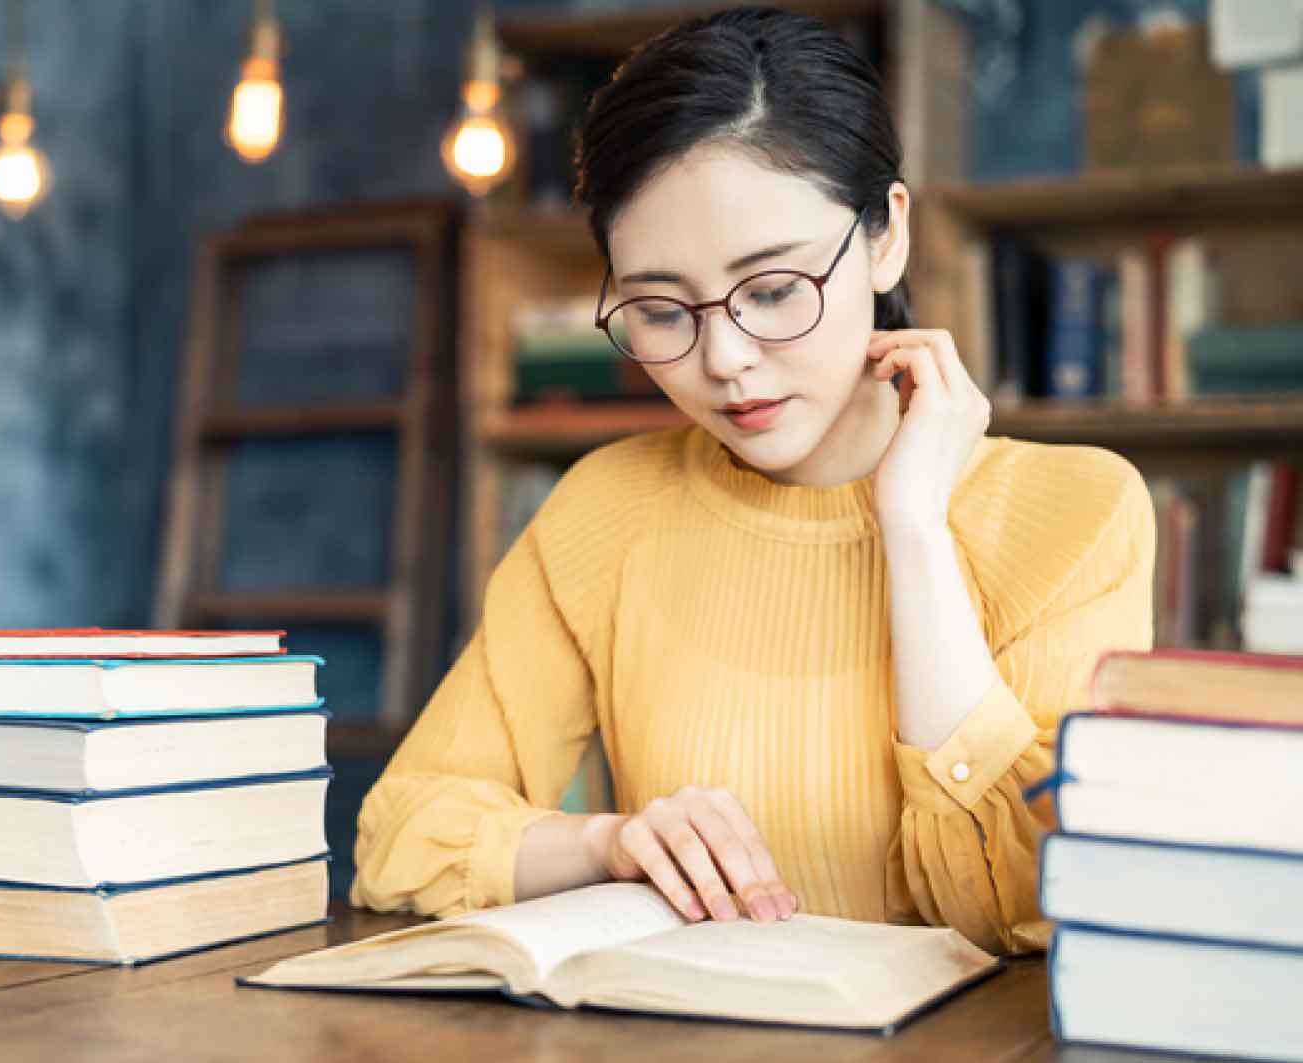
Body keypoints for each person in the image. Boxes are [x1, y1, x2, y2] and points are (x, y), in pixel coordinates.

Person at [349, 5, 1153, 955]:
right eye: (658, 308)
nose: (724, 358)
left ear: (886, 235)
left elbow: (1024, 898)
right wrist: (608, 842)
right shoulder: (608, 512)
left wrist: (913, 531)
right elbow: (397, 837)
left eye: (772, 290)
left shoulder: (1078, 514)